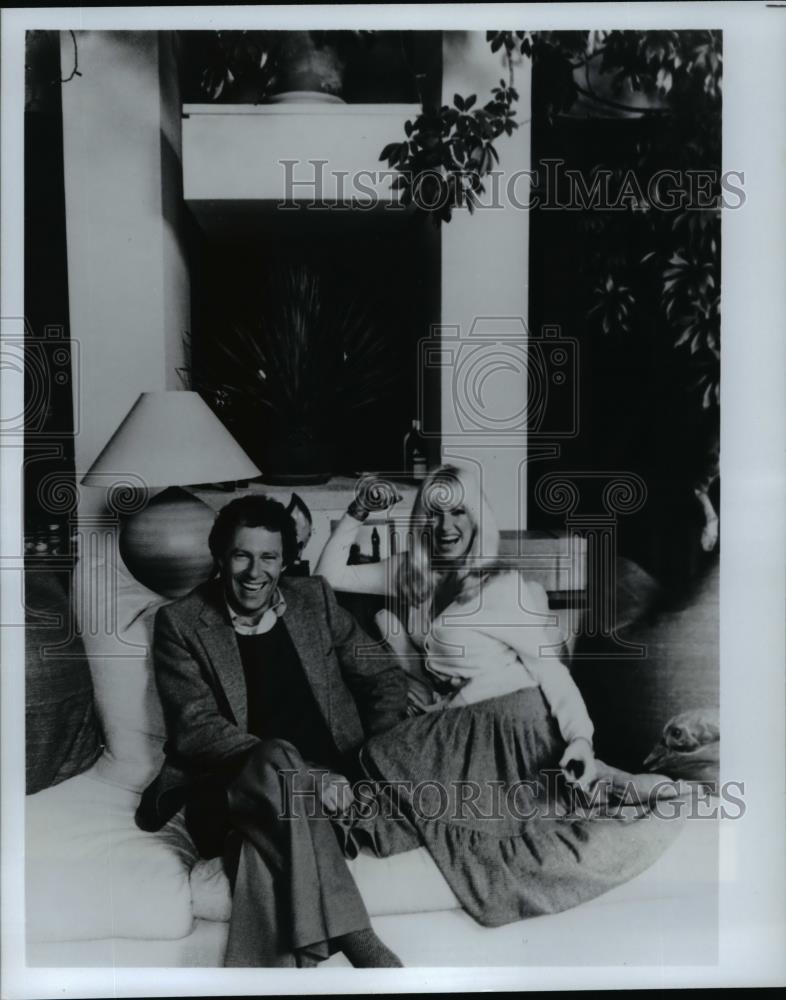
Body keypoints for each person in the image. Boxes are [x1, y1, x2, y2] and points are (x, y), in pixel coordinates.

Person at [315, 463, 688, 928]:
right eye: (434, 514)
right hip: (459, 727)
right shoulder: (411, 573)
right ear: (421, 521)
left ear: (477, 518)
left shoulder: (503, 589)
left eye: (458, 513)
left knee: (395, 763)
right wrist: (358, 511)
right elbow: (326, 576)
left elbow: (549, 672)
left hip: (512, 722)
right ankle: (621, 784)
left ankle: (636, 786)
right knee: (387, 770)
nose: (446, 527)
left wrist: (580, 740)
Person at [135, 495, 409, 968]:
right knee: (278, 754)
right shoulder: (180, 623)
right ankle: (360, 942)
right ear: (220, 557)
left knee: (255, 859)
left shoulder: (315, 600)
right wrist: (311, 779)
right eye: (241, 555)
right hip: (233, 788)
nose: (253, 571)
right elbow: (196, 728)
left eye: (268, 557)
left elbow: (383, 676)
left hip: (322, 798)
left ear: (285, 561)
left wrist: (373, 758)